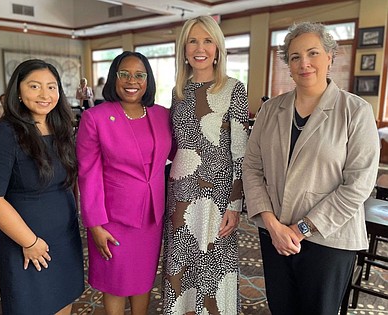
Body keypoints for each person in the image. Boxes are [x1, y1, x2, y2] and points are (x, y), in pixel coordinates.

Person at [242, 21, 380, 315]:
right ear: (287, 65)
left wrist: (301, 229)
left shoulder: (355, 111)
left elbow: (358, 184)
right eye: (294, 57)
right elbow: (252, 168)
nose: (304, 63)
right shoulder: (270, 110)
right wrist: (272, 224)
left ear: (330, 56)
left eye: (313, 53)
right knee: (281, 308)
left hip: (329, 239)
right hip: (274, 234)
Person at [0, 59, 85, 315]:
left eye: (51, 87)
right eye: (35, 86)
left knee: (63, 303)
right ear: (18, 90)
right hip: (26, 241)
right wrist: (30, 242)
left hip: (65, 239)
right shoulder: (3, 133)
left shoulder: (61, 128)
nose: (45, 94)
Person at [162, 16, 250, 314]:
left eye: (207, 40)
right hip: (180, 194)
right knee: (181, 264)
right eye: (193, 41)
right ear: (184, 49)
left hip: (218, 195)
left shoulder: (233, 89)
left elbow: (240, 153)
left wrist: (235, 205)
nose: (200, 48)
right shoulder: (177, 91)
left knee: (214, 268)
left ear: (218, 48)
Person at [76, 51, 172, 315]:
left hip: (151, 217)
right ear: (114, 78)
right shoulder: (95, 118)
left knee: (143, 279)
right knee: (115, 282)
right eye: (124, 74)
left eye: (140, 75)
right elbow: (88, 174)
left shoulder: (161, 115)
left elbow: (179, 154)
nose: (132, 80)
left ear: (148, 80)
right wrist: (94, 224)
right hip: (113, 219)